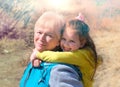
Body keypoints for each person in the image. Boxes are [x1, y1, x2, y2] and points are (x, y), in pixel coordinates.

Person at [30, 14, 101, 87]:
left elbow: (56, 57)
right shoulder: (75, 51)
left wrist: (38, 54)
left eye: (72, 41)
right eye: (63, 39)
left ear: (82, 43)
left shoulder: (82, 55)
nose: (66, 45)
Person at [20, 11, 83, 87]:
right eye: (39, 32)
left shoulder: (60, 71)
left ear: (58, 41)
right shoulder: (35, 61)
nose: (41, 38)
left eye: (49, 35)